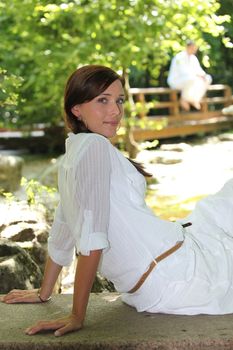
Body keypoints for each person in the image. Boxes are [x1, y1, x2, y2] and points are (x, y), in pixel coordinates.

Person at [1, 65, 233, 337]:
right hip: (176, 274)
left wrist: (45, 292)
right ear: (76, 108)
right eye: (103, 100)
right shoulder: (93, 148)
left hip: (157, 279)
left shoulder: (74, 149)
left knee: (218, 208)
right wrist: (77, 315)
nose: (116, 111)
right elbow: (91, 238)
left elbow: (65, 226)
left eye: (119, 100)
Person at [167, 40, 212, 111]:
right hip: (176, 81)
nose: (194, 50)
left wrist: (203, 75)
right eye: (192, 48)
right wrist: (197, 75)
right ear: (187, 47)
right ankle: (184, 99)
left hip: (190, 81)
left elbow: (199, 70)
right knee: (191, 78)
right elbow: (184, 72)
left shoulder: (193, 58)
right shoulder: (179, 57)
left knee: (208, 78)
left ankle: (194, 99)